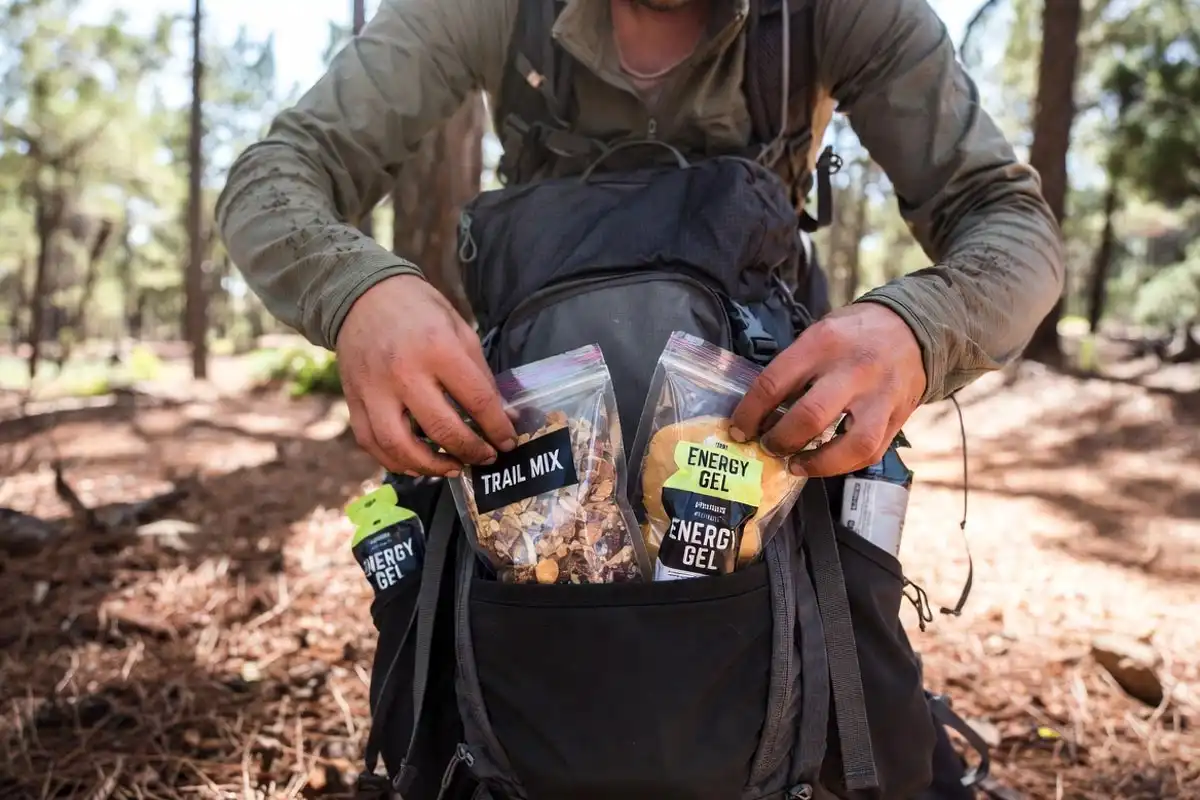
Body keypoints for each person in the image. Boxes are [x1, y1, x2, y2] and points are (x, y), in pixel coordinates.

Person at [217, 1, 1063, 797]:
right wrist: (361, 295)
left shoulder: (833, 13)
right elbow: (275, 177)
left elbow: (1011, 222)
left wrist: (916, 331)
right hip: (529, 482)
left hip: (762, 463)